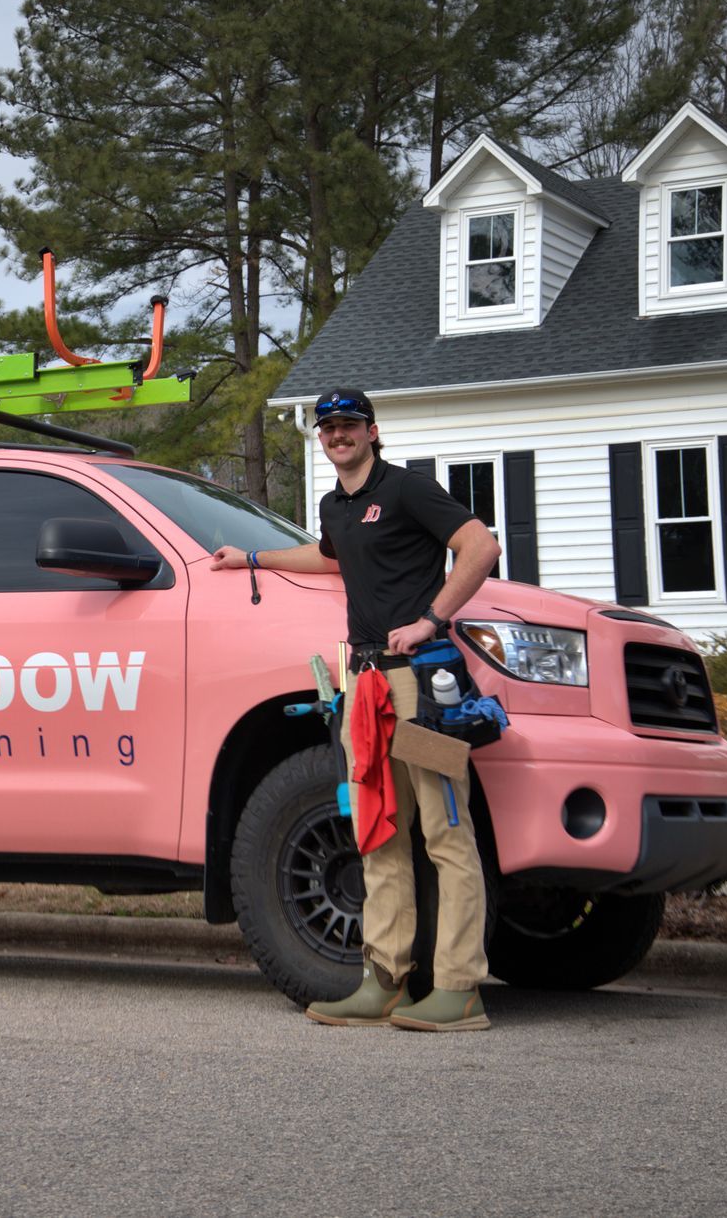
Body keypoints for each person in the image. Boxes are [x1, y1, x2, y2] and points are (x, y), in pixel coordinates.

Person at [213, 387, 501, 1031]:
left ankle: (460, 989)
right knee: (378, 830)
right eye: (328, 427)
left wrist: (432, 619)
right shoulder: (337, 506)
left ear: (372, 431)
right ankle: (385, 981)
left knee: (447, 835)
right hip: (366, 688)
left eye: (349, 424)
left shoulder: (408, 490)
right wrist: (250, 557)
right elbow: (326, 556)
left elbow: (481, 546)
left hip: (423, 687)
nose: (337, 434)